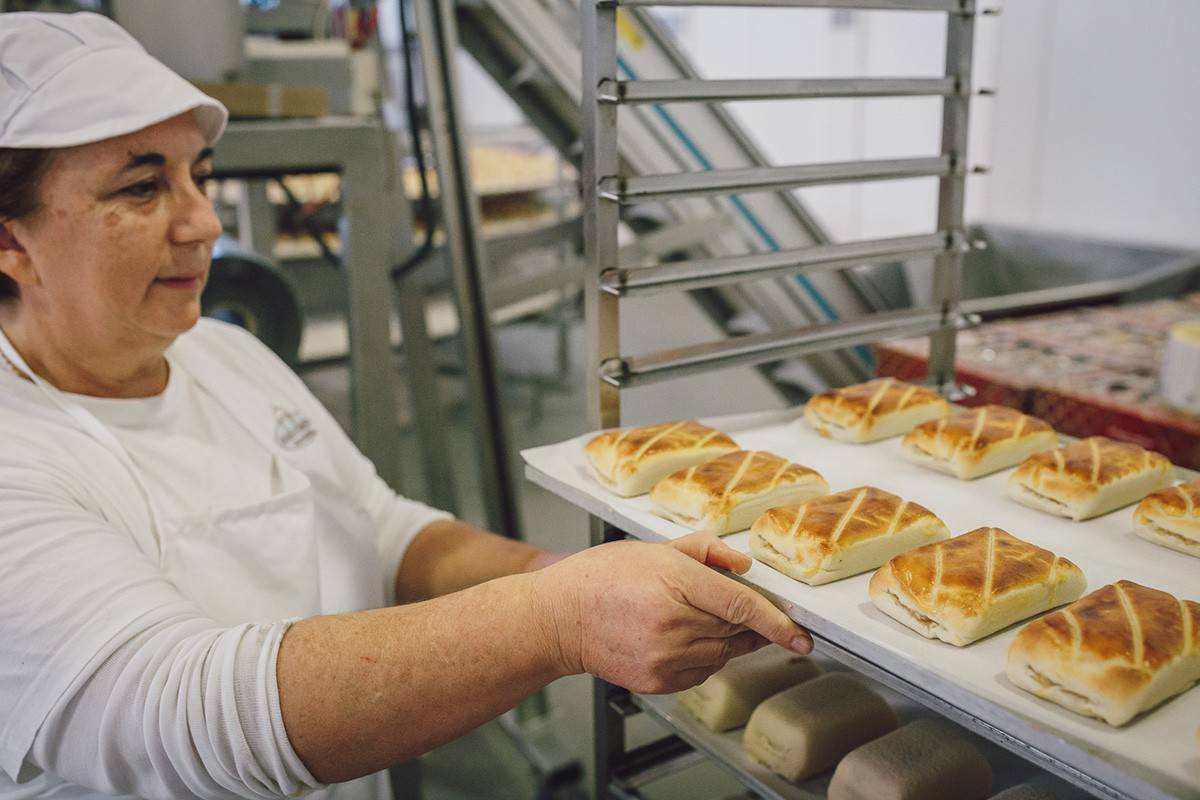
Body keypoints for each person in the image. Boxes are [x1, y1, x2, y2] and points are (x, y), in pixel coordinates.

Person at [0, 12, 813, 800]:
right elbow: (179, 715)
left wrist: (563, 574)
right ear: (11, 242)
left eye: (199, 177)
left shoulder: (222, 353)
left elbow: (381, 527)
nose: (205, 221)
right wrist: (562, 621)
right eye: (143, 187)